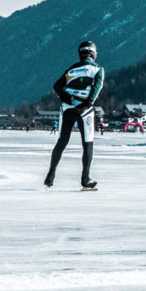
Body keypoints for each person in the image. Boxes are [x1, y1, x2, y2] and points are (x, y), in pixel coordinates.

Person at [44, 40, 105, 190]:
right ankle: (85, 179)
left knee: (61, 142)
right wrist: (88, 102)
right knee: (87, 143)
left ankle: (50, 176)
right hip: (84, 110)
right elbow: (97, 87)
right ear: (94, 54)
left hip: (67, 109)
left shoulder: (71, 70)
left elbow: (57, 86)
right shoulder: (97, 69)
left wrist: (65, 97)